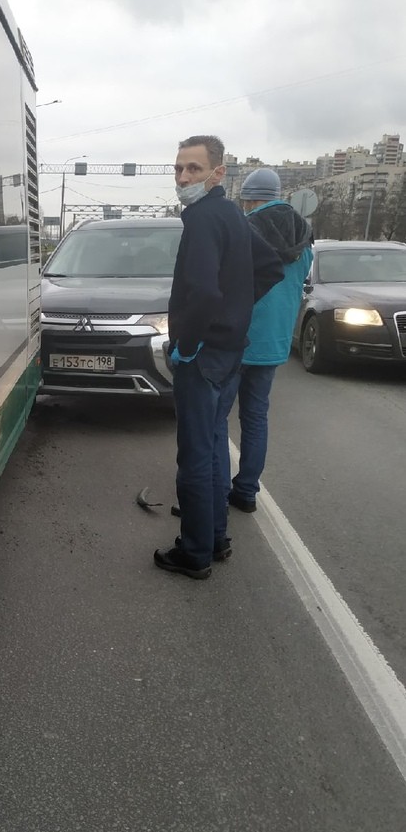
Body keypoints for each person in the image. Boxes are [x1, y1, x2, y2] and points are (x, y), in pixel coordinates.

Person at [154, 136, 284, 581]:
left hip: (204, 356)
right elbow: (270, 268)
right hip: (231, 353)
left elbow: (205, 291)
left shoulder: (204, 218)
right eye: (178, 169)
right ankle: (215, 538)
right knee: (211, 449)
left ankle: (193, 553)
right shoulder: (231, 214)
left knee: (194, 455)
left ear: (218, 173)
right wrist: (236, 311)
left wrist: (186, 345)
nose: (184, 178)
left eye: (193, 168)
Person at [219, 168, 313, 513]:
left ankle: (210, 494)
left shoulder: (245, 230)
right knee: (256, 417)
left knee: (216, 420)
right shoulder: (305, 239)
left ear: (247, 197)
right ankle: (245, 491)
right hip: (275, 343)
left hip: (236, 338)